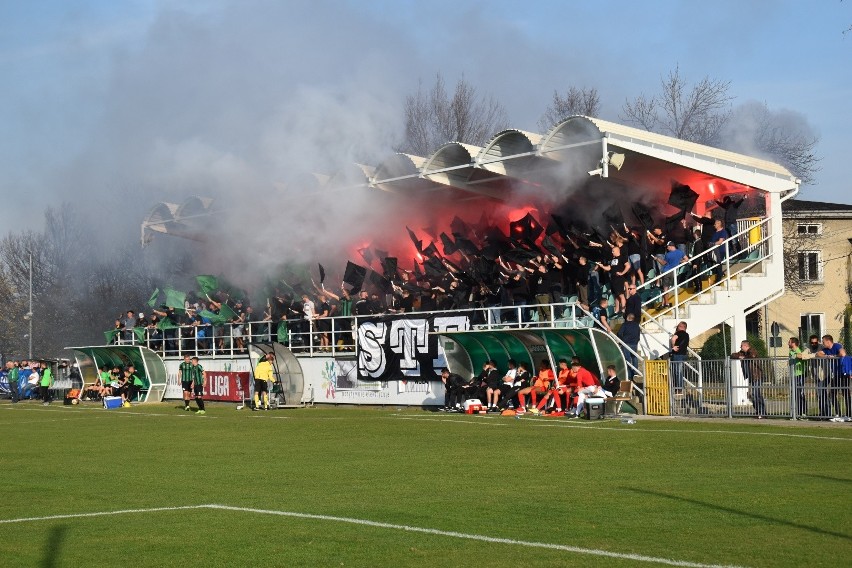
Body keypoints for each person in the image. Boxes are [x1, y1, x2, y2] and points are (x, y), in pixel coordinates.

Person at [816, 335, 847, 418]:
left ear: (828, 341)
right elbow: (818, 354)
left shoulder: (837, 345)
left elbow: (843, 353)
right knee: (832, 394)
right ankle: (838, 413)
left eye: (823, 342)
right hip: (835, 375)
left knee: (846, 394)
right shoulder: (826, 350)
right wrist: (827, 356)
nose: (822, 343)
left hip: (843, 374)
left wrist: (835, 356)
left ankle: (849, 414)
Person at [733, 340, 765, 419]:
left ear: (746, 346)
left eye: (741, 346)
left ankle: (762, 412)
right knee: (754, 395)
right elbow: (733, 355)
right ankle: (759, 411)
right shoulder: (742, 353)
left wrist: (743, 358)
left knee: (756, 394)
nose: (740, 347)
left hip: (757, 376)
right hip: (752, 377)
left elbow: (752, 356)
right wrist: (740, 356)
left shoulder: (752, 350)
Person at [788, 337, 807, 419]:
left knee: (800, 393)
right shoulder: (791, 351)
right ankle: (795, 413)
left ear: (793, 343)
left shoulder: (798, 351)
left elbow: (802, 357)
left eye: (789, 342)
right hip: (793, 375)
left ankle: (803, 413)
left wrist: (797, 356)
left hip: (800, 375)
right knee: (794, 394)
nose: (788, 343)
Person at [670, 321, 689, 392]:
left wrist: (673, 346)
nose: (677, 328)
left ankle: (678, 388)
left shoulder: (678, 333)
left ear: (681, 327)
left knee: (677, 371)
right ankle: (679, 387)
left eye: (678, 326)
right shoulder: (687, 335)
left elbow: (673, 339)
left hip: (677, 355)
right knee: (680, 371)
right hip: (684, 354)